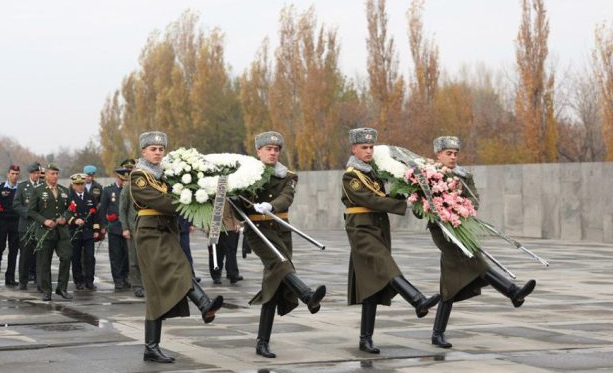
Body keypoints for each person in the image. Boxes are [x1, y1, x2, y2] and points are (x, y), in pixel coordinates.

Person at [428, 136, 536, 349]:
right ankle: (512, 291)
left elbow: (474, 199)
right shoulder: (428, 174)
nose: (453, 157)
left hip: (461, 226)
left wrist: (459, 204)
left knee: (450, 281)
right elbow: (419, 206)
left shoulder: (463, 175)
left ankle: (437, 333)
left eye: (455, 153)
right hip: (442, 230)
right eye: (449, 153)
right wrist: (439, 207)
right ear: (438, 154)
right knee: (475, 259)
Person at [226, 131, 326, 358]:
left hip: (280, 230)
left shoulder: (288, 176)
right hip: (257, 231)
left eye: (276, 150)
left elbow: (286, 198)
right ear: (258, 151)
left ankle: (262, 342)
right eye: (268, 149)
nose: (272, 153)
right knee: (281, 265)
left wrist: (271, 206)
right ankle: (307, 295)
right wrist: (234, 198)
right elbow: (238, 207)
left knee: (273, 283)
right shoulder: (245, 175)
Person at [342, 127, 440, 354]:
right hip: (361, 230)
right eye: (364, 147)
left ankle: (365, 339)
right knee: (387, 266)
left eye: (371, 147)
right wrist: (402, 204)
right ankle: (417, 300)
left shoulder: (373, 173)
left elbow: (384, 196)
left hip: (378, 228)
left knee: (371, 285)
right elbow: (371, 200)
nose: (369, 151)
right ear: (354, 149)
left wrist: (404, 187)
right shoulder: (351, 176)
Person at [132, 131, 223, 363]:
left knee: (160, 288)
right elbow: (160, 201)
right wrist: (190, 200)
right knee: (178, 268)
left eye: (161, 149)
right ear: (143, 151)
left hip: (165, 231)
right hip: (150, 232)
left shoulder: (165, 175)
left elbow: (175, 194)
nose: (158, 153)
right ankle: (204, 305)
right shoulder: (139, 175)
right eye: (153, 149)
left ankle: (151, 348)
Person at [29, 163, 73, 301]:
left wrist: (65, 218)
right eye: (52, 174)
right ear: (46, 175)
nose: (55, 176)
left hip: (62, 231)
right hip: (45, 231)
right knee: (44, 262)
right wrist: (44, 221)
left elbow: (71, 208)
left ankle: (62, 288)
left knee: (66, 257)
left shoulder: (64, 190)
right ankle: (47, 290)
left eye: (57, 174)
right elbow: (31, 211)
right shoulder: (38, 190)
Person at [67, 172, 102, 291]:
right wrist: (74, 220)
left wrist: (96, 229)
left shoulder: (90, 197)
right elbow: (66, 214)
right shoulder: (69, 198)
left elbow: (95, 215)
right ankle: (78, 281)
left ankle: (89, 281)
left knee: (90, 258)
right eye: (77, 184)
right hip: (75, 232)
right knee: (75, 258)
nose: (80, 186)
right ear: (73, 185)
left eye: (82, 184)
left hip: (88, 232)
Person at [0, 165, 21, 286]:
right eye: (12, 173)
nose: (14, 176)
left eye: (16, 174)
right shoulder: (0, 188)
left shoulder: (21, 189)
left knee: (13, 250)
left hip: (16, 223)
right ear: (8, 174)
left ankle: (10, 277)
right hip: (2, 222)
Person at [100, 165, 130, 290]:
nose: (124, 182)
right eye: (123, 180)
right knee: (116, 255)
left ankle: (126, 277)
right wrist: (103, 226)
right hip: (114, 227)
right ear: (118, 177)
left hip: (128, 228)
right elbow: (103, 209)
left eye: (126, 180)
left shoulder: (130, 190)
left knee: (127, 255)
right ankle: (118, 279)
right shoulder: (108, 190)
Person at [13, 162, 42, 291]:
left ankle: (40, 281)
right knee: (25, 256)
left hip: (40, 226)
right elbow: (16, 204)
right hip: (26, 226)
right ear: (30, 174)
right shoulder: (22, 187)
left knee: (40, 256)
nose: (36, 175)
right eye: (34, 173)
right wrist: (28, 213)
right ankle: (23, 281)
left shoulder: (43, 186)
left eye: (38, 173)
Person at [118, 159, 144, 297]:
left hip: (147, 228)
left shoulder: (146, 186)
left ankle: (148, 284)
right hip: (133, 228)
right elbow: (122, 210)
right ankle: (137, 286)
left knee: (147, 258)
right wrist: (125, 228)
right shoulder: (128, 188)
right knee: (134, 260)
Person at [207, 216, 242, 285]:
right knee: (215, 252)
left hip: (230, 225)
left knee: (231, 251)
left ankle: (232, 274)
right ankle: (216, 275)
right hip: (214, 225)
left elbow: (235, 211)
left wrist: (237, 223)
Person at [178, 216, 201, 282]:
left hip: (183, 227)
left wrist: (190, 224)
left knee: (186, 252)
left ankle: (191, 275)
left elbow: (189, 211)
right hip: (170, 227)